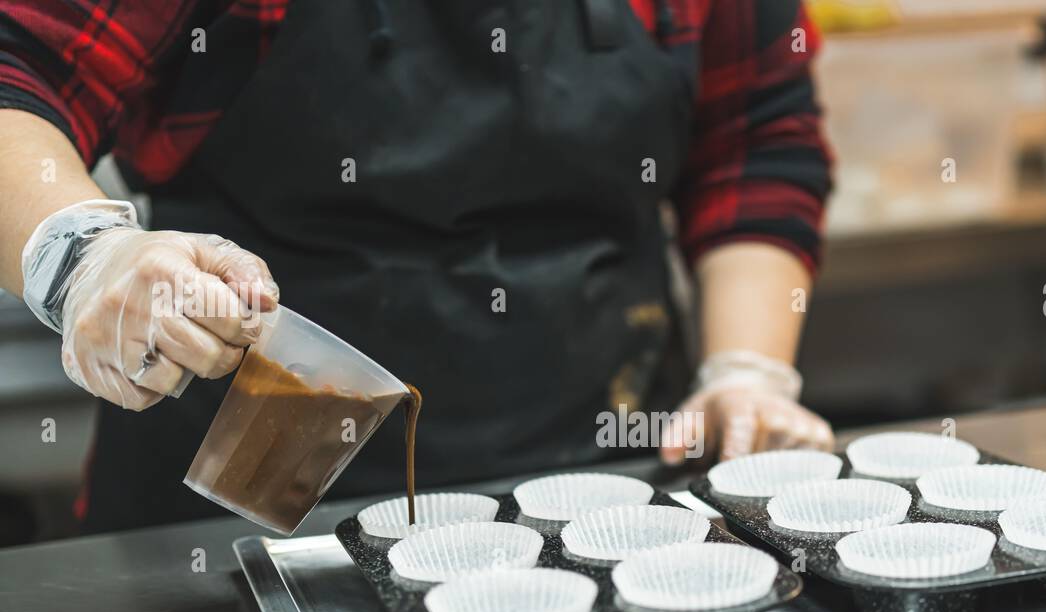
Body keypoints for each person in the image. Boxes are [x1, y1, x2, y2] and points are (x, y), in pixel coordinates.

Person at [0, 0, 834, 533]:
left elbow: (755, 134)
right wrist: (83, 255)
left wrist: (748, 370)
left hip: (618, 490)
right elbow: (16, 67)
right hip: (240, 512)